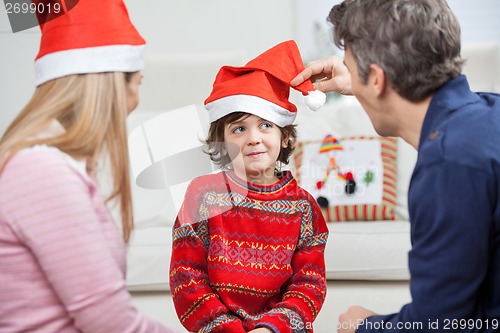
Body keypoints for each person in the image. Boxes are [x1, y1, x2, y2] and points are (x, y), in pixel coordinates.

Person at [291, 0, 500, 332]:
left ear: (376, 78)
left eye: (351, 66)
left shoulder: (449, 164)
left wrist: (366, 326)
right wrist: (358, 80)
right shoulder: (488, 114)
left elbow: (439, 324)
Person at [0, 1, 177, 332]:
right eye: (137, 82)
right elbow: (111, 323)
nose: (137, 99)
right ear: (110, 86)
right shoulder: (42, 172)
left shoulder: (54, 165)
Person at [169, 40, 329, 333]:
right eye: (240, 129)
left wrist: (270, 329)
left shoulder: (303, 207)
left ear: (284, 137)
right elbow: (186, 276)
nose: (254, 138)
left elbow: (309, 285)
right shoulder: (202, 195)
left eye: (265, 125)